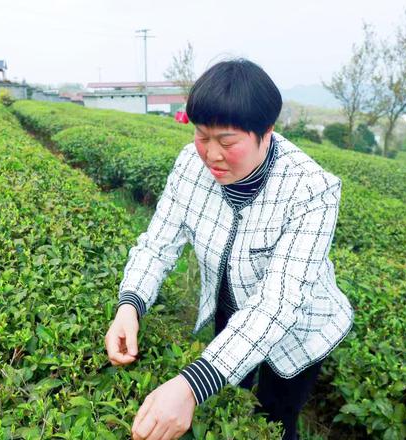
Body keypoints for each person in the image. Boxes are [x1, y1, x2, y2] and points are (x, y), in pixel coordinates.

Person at [104, 58, 355, 440]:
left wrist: (190, 384)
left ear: (266, 132)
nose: (211, 154)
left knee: (275, 417)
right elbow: (157, 243)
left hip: (299, 326)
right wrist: (129, 305)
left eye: (226, 141)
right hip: (228, 299)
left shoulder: (312, 190)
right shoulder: (190, 164)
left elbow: (278, 303)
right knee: (228, 397)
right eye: (202, 136)